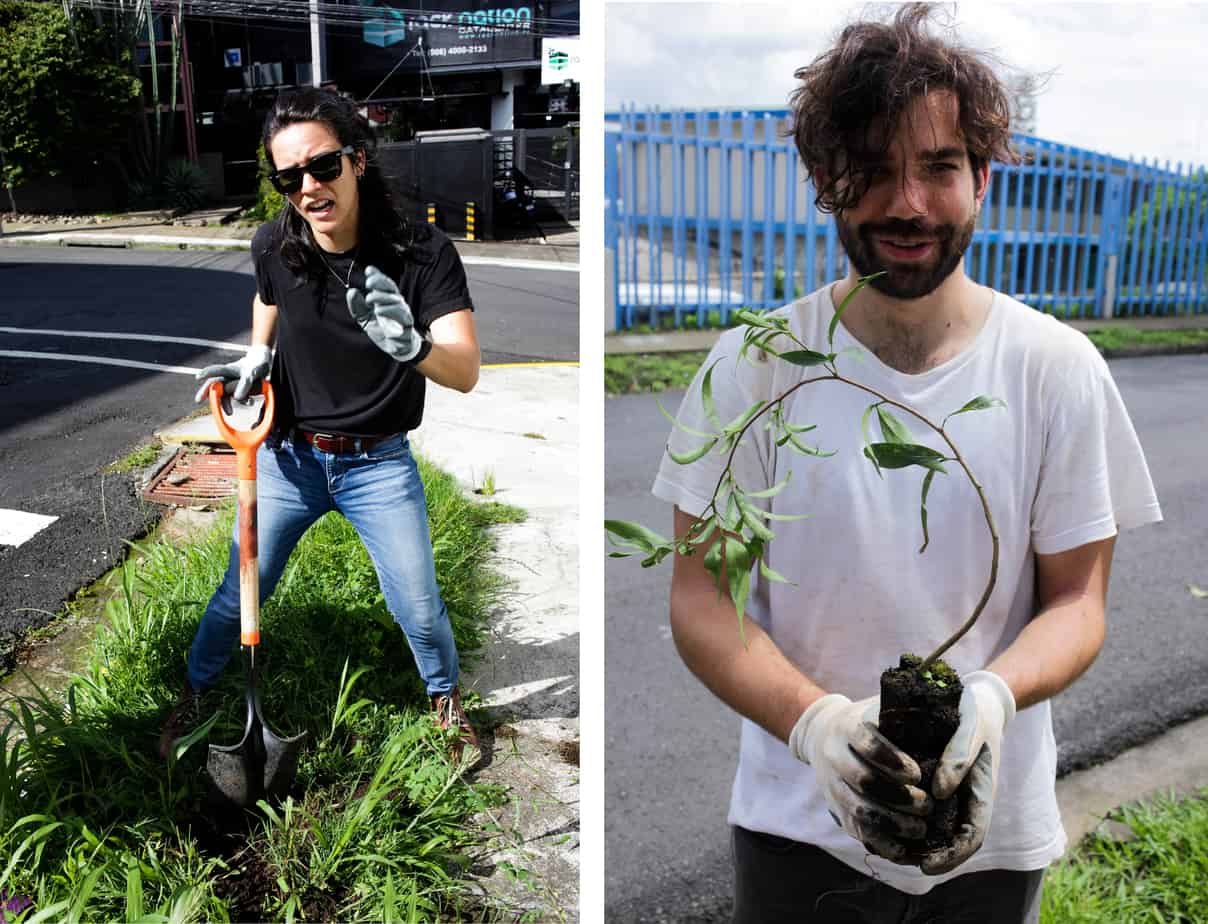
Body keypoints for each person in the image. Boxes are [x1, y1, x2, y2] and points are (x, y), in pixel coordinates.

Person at [652, 5, 1162, 921]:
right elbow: (702, 601)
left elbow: (1077, 602)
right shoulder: (755, 366)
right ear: (824, 178)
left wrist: (997, 698)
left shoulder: (1053, 370)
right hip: (796, 827)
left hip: (991, 831)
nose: (909, 204)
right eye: (875, 170)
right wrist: (817, 727)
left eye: (938, 168)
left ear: (982, 181)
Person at [159, 86, 481, 762]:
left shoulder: (422, 253)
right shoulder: (275, 241)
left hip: (378, 464)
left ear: (358, 160)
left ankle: (444, 698)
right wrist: (257, 354)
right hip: (288, 459)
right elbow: (266, 293)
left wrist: (415, 348)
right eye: (289, 177)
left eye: (323, 166)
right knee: (238, 593)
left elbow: (467, 369)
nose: (308, 187)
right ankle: (192, 692)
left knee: (419, 607)